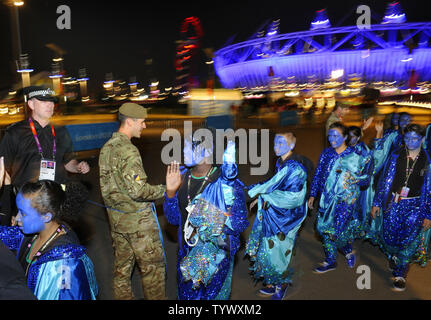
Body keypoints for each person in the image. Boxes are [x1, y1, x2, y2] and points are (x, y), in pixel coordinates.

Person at [164, 134, 248, 300]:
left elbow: (239, 223)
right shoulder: (180, 176)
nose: (183, 151)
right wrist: (170, 193)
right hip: (186, 254)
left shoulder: (225, 183)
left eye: (189, 148)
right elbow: (173, 219)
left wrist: (209, 217)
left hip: (215, 260)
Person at [99, 102, 167, 300]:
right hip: (139, 226)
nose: (144, 126)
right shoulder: (128, 151)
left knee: (122, 272)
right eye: (142, 122)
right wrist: (167, 189)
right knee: (152, 271)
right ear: (129, 122)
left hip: (118, 222)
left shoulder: (106, 148)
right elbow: (138, 190)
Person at [0, 86, 90, 226]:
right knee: (30, 246)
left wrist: (77, 166)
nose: (50, 105)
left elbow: (68, 161)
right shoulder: (15, 133)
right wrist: (8, 206)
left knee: (56, 243)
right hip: (27, 205)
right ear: (31, 104)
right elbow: (2, 171)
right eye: (43, 101)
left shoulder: (61, 131)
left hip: (57, 202)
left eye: (52, 101)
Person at [0, 179, 98, 300]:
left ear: (46, 216)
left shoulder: (66, 263)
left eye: (23, 213)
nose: (17, 218)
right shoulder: (28, 234)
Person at [245, 133, 308, 300]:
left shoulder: (294, 167)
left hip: (288, 217)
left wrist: (255, 193)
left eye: (281, 142)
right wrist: (263, 197)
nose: (276, 145)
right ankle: (273, 281)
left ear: (291, 146)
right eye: (275, 142)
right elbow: (274, 185)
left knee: (281, 249)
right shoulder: (280, 162)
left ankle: (282, 283)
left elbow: (290, 196)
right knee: (270, 247)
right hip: (275, 212)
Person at [371, 124, 431, 291]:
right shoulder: (396, 155)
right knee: (389, 237)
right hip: (394, 203)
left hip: (416, 206)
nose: (410, 142)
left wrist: (429, 214)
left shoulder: (428, 160)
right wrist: (376, 203)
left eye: (415, 139)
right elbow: (385, 180)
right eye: (407, 138)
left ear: (423, 139)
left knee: (409, 240)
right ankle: (393, 255)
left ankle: (400, 274)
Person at [308, 122, 372, 273]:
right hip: (326, 199)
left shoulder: (355, 155)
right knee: (324, 229)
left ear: (344, 137)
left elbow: (366, 180)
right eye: (330, 135)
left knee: (337, 231)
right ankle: (331, 260)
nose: (332, 138)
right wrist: (312, 194)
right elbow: (317, 175)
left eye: (336, 135)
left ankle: (347, 249)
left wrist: (354, 179)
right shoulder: (326, 153)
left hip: (345, 201)